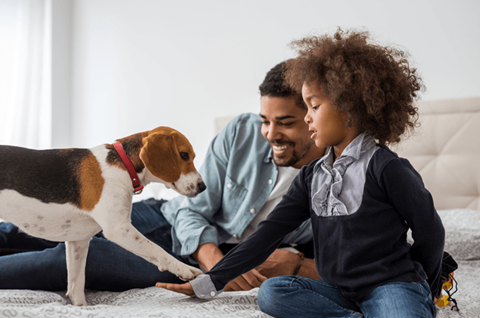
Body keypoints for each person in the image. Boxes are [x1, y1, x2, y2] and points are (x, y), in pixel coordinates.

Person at [156, 28, 445, 318]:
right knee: (273, 292)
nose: (307, 118)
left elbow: (430, 232)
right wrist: (211, 281)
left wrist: (425, 284)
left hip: (390, 286)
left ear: (350, 110)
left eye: (314, 106)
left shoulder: (387, 167)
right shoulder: (312, 176)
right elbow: (268, 235)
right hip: (339, 291)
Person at [0, 61, 325, 292]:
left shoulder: (336, 178)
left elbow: (346, 258)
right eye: (265, 120)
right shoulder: (242, 131)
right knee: (22, 229)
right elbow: (193, 208)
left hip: (207, 257)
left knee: (84, 259)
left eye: (285, 122)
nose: (269, 133)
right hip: (169, 220)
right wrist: (209, 255)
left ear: (313, 115)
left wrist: (292, 263)